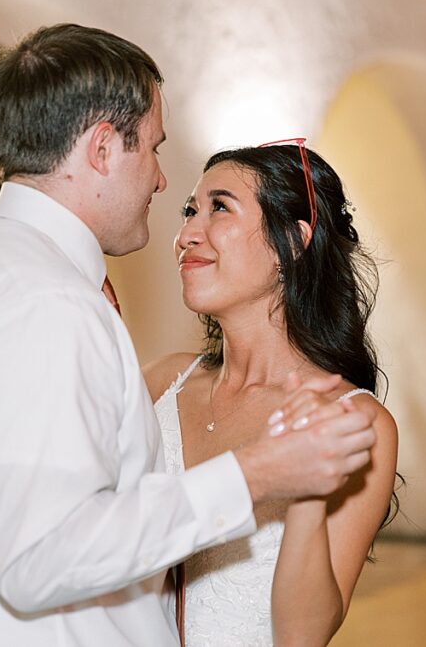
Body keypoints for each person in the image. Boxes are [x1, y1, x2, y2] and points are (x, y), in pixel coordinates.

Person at [0, 25, 377, 647]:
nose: (163, 186)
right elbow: (41, 558)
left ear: (293, 244)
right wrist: (260, 473)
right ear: (103, 149)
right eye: (153, 149)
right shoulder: (48, 304)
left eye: (217, 208)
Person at [144, 142, 400, 646]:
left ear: (292, 239)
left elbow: (303, 637)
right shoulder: (159, 383)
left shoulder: (355, 422)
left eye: (219, 207)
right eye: (190, 211)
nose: (186, 235)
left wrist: (305, 490)